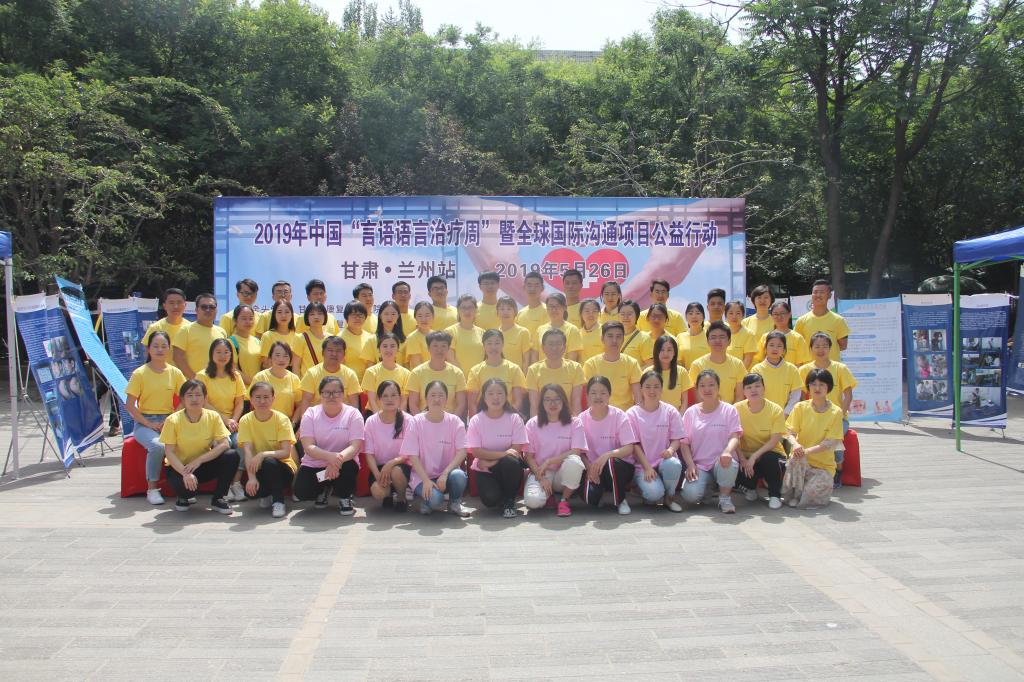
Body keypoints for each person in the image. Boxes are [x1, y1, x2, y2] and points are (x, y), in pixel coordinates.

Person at [125, 331, 187, 505]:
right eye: (156, 346)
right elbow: (129, 405)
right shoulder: (140, 373)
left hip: (169, 420)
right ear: (148, 349)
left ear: (169, 349)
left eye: (164, 346)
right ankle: (152, 489)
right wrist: (148, 423)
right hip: (145, 422)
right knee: (157, 446)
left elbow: (185, 397)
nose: (160, 350)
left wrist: (171, 418)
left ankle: (186, 486)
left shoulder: (175, 372)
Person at [160, 379, 239, 515]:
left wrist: (199, 460)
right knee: (188, 491)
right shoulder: (172, 420)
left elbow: (224, 443)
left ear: (205, 398)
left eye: (198, 395)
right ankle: (183, 497)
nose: (194, 399)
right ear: (182, 399)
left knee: (231, 455)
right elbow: (169, 452)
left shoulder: (213, 416)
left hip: (201, 464)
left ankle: (219, 498)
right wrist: (185, 473)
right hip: (179, 468)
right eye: (189, 395)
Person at [295, 375, 365, 515]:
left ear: (343, 394)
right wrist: (330, 457)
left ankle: (345, 497)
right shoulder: (310, 414)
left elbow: (355, 446)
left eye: (336, 392)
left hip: (343, 464)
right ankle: (325, 487)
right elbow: (308, 447)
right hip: (317, 467)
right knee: (302, 491)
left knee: (349, 468)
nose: (331, 396)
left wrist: (336, 462)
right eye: (327, 393)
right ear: (320, 395)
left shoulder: (353, 414)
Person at [401, 380, 471, 517]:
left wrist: (445, 474)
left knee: (459, 476)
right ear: (426, 398)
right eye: (433, 395)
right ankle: (427, 502)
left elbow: (462, 451)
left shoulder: (455, 421)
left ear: (447, 399)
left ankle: (455, 503)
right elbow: (412, 455)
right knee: (435, 500)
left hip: (446, 474)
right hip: (422, 476)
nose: (437, 399)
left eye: (441, 395)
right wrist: (426, 480)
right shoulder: (416, 421)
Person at [679, 369, 742, 513]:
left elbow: (735, 436)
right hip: (700, 465)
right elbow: (684, 443)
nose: (707, 389)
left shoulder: (729, 410)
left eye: (711, 385)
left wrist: (727, 451)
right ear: (697, 389)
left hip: (721, 462)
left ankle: (725, 498)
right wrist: (690, 465)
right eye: (702, 385)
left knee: (729, 463)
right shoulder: (690, 412)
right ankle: (708, 488)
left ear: (718, 387)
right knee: (690, 495)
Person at [799, 332, 857, 487]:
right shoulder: (804, 370)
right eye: (817, 346)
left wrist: (840, 416)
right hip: (812, 417)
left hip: (837, 418)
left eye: (824, 346)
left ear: (830, 348)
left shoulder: (840, 368)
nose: (821, 350)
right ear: (811, 348)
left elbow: (848, 396)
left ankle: (838, 470)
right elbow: (802, 397)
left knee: (835, 441)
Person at [467, 378, 529, 518]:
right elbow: (476, 451)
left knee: (511, 461)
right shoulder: (476, 420)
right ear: (484, 398)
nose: (495, 397)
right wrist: (503, 455)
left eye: (500, 393)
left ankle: (509, 501)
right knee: (490, 500)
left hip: (506, 467)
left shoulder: (514, 418)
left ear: (506, 396)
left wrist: (491, 461)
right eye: (490, 393)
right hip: (485, 470)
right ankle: (502, 495)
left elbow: (516, 449)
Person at [523, 384, 588, 516]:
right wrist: (540, 477)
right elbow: (528, 456)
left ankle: (564, 500)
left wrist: (549, 461)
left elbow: (576, 451)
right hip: (541, 472)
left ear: (563, 400)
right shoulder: (532, 424)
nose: (552, 403)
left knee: (575, 461)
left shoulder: (575, 422)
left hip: (562, 475)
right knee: (533, 502)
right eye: (547, 399)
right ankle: (549, 496)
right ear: (542, 403)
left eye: (557, 399)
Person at [579, 376, 640, 514]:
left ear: (609, 395)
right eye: (593, 392)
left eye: (603, 392)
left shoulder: (619, 416)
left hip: (619, 467)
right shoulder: (581, 419)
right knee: (589, 497)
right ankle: (602, 492)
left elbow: (629, 448)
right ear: (587, 395)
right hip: (594, 469)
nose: (598, 396)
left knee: (611, 463)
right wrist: (589, 468)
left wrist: (606, 455)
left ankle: (620, 500)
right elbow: (580, 451)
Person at [195, 338, 247, 502]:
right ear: (211, 354)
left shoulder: (235, 376)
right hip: (210, 422)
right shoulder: (202, 376)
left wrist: (234, 420)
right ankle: (224, 485)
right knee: (224, 445)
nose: (222, 356)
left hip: (231, 422)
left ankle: (236, 482)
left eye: (226, 352)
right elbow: (203, 402)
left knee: (241, 442)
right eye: (218, 352)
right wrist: (225, 420)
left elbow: (239, 402)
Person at [627, 371, 688, 512]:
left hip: (664, 462)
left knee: (673, 464)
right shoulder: (632, 413)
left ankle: (669, 498)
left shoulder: (670, 411)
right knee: (654, 494)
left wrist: (670, 450)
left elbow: (676, 439)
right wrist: (647, 467)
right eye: (648, 387)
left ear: (661, 389)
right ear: (641, 388)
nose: (652, 391)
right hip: (642, 466)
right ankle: (641, 489)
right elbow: (634, 445)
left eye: (656, 386)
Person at [783, 369, 844, 508]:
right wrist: (796, 444)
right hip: (801, 460)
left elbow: (830, 442)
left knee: (812, 494)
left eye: (822, 384)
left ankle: (804, 496)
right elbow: (789, 431)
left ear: (828, 387)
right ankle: (795, 495)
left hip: (823, 466)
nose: (817, 388)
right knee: (795, 458)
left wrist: (806, 451)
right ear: (808, 386)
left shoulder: (836, 412)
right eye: (813, 384)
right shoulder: (800, 407)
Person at [238, 381, 297, 518]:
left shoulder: (281, 419)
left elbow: (285, 452)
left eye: (266, 397)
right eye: (258, 397)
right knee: (252, 493)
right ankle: (267, 494)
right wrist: (251, 478)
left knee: (269, 462)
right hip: (260, 468)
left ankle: (278, 502)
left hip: (283, 468)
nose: (262, 401)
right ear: (251, 400)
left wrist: (262, 454)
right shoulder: (245, 420)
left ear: (273, 399)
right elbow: (247, 451)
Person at [734, 373, 787, 509]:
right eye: (749, 387)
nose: (753, 390)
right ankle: (749, 488)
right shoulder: (736, 409)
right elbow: (733, 437)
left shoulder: (775, 410)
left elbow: (774, 441)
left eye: (757, 386)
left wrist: (754, 457)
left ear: (764, 388)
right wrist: (743, 459)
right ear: (744, 391)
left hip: (770, 453)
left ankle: (774, 495)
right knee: (732, 464)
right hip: (746, 456)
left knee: (769, 459)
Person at [364, 381, 412, 512]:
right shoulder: (371, 421)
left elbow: (410, 452)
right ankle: (388, 495)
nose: (389, 399)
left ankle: (401, 498)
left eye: (393, 395)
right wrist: (377, 474)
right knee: (378, 491)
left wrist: (391, 464)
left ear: (400, 398)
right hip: (380, 467)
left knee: (396, 471)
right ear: (379, 399)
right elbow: (369, 454)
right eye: (385, 396)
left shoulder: (408, 420)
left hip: (401, 466)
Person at [295, 336, 362, 415]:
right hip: (318, 417)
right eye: (330, 350)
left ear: (344, 354)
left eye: (338, 351)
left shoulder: (350, 374)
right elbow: (306, 401)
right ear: (323, 353)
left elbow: (354, 403)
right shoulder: (311, 373)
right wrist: (305, 420)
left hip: (342, 418)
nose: (334, 354)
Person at [467, 329, 527, 417]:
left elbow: (518, 401)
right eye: (489, 343)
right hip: (483, 418)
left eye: (497, 343)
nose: (493, 347)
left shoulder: (514, 369)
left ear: (503, 345)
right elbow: (472, 403)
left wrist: (506, 418)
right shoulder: (475, 371)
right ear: (484, 346)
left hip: (508, 417)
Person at [404, 331, 467, 415]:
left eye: (443, 346)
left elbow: (461, 404)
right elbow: (413, 404)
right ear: (428, 348)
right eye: (435, 346)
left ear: (448, 348)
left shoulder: (457, 373)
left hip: (450, 420)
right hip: (423, 419)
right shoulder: (417, 373)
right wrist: (421, 421)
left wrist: (452, 421)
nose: (439, 350)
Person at [583, 321, 641, 411]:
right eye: (610, 336)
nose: (614, 340)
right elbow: (588, 398)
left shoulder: (632, 363)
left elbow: (638, 398)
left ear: (623, 339)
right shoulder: (591, 364)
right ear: (602, 339)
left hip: (625, 415)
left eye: (618, 336)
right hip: (599, 414)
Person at [527, 328, 585, 418]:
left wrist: (575, 423)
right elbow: (534, 406)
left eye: (558, 344)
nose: (554, 348)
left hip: (567, 419)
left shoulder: (575, 368)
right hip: (544, 420)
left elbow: (576, 403)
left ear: (564, 347)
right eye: (550, 344)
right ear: (543, 348)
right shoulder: (533, 370)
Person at [687, 321, 745, 404]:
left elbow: (739, 396)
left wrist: (729, 411)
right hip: (705, 411)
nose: (717, 340)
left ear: (729, 341)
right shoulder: (697, 365)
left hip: (730, 411)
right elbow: (697, 398)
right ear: (707, 341)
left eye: (722, 337)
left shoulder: (738, 364)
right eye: (713, 337)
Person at [172, 292, 227, 379]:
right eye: (204, 307)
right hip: (193, 384)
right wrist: (196, 380)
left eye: (212, 307)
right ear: (196, 310)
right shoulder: (185, 330)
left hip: (217, 383)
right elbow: (178, 358)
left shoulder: (222, 332)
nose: (208, 310)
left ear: (216, 310)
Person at [794, 279, 850, 361]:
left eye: (822, 292)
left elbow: (843, 346)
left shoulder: (838, 320)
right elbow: (797, 345)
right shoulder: (801, 321)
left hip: (831, 367)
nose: (818, 295)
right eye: (815, 292)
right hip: (809, 367)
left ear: (830, 295)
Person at [750, 331, 803, 415]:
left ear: (784, 349)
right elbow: (754, 394)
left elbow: (795, 395)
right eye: (771, 345)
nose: (775, 349)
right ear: (765, 348)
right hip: (762, 414)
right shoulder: (756, 370)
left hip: (786, 416)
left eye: (779, 346)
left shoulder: (792, 369)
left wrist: (786, 413)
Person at [252, 342, 304, 425]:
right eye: (277, 355)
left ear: (290, 360)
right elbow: (252, 404)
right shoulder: (260, 377)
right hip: (263, 423)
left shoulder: (294, 379)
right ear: (270, 358)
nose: (281, 359)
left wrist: (293, 423)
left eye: (285, 356)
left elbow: (299, 405)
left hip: (286, 424)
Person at [362, 332, 411, 412]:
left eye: (392, 346)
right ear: (379, 349)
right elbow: (372, 401)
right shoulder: (371, 372)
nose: (388, 349)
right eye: (385, 346)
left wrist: (399, 417)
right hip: (375, 414)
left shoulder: (406, 373)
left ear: (398, 349)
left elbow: (403, 401)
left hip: (396, 414)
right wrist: (380, 418)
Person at [754, 301, 810, 366]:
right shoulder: (765, 337)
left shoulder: (798, 338)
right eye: (775, 314)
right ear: (771, 316)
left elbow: (802, 363)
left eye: (782, 313)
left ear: (789, 314)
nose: (779, 317)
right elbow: (759, 360)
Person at [141, 288, 190, 363]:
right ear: (164, 305)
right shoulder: (155, 328)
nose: (176, 306)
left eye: (179, 302)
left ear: (185, 305)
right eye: (171, 303)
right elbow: (148, 355)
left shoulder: (191, 328)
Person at [533, 292, 582, 364]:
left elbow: (572, 360)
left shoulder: (572, 330)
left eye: (557, 306)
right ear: (547, 308)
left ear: (564, 308)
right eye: (551, 306)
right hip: (542, 370)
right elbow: (535, 357)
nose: (554, 310)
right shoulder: (540, 329)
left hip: (564, 370)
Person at [651, 335, 691, 414]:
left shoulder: (682, 372)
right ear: (656, 352)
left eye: (669, 350)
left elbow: (684, 401)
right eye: (662, 350)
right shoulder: (648, 372)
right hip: (654, 417)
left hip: (676, 417)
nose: (665, 353)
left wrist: (679, 418)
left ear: (674, 352)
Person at [259, 300, 302, 373]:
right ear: (274, 315)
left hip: (292, 376)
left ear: (292, 315)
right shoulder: (267, 336)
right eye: (279, 312)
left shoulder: (297, 336)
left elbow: (297, 364)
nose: (283, 315)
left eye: (287, 312)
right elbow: (265, 363)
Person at [340, 300, 378, 382]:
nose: (357, 318)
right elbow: (338, 366)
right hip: (348, 383)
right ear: (346, 317)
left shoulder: (370, 337)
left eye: (361, 315)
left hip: (368, 383)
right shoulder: (340, 338)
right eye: (354, 315)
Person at [446, 294, 485, 372]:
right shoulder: (450, 332)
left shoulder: (483, 333)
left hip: (478, 377)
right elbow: (450, 359)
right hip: (458, 377)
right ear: (458, 310)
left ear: (476, 310)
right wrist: (461, 376)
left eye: (470, 307)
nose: (467, 311)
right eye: (463, 308)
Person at [228, 305, 262, 386]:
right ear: (235, 320)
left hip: (258, 390)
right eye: (244, 318)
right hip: (242, 390)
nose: (248, 321)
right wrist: (254, 383)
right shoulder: (230, 342)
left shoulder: (257, 341)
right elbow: (233, 369)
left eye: (251, 318)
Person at [497, 296, 531, 373]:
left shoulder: (523, 332)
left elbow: (526, 360)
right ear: (497, 313)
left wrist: (523, 378)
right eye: (502, 309)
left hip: (516, 376)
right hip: (497, 376)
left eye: (509, 309)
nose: (505, 312)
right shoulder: (495, 334)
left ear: (515, 312)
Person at [295, 302, 330, 377]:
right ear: (307, 317)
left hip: (328, 382)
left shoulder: (331, 338)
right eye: (312, 314)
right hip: (307, 382)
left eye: (320, 314)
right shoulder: (300, 338)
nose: (316, 317)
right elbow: (296, 366)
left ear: (325, 316)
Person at [619, 300, 654, 367]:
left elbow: (650, 364)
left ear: (637, 315)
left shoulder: (644, 338)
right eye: (622, 314)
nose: (626, 317)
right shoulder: (613, 336)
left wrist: (635, 373)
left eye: (629, 314)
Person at [724, 300, 757, 368]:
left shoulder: (749, 334)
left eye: (738, 313)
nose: (734, 316)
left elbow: (748, 360)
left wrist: (738, 374)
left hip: (741, 372)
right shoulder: (722, 333)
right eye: (731, 313)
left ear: (743, 315)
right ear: (726, 315)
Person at [677, 302, 710, 368]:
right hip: (686, 374)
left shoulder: (710, 336)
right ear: (686, 317)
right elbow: (678, 362)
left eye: (698, 313)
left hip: (707, 374)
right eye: (690, 313)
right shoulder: (680, 337)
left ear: (703, 317)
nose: (694, 316)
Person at [516, 271, 548, 335]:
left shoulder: (548, 311)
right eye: (529, 285)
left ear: (542, 288)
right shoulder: (520, 313)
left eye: (536, 285)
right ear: (524, 287)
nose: (533, 289)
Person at [404, 301, 434, 369]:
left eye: (427, 315)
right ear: (415, 317)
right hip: (421, 374)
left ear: (433, 316)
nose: (424, 319)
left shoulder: (437, 336)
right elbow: (417, 365)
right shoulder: (412, 338)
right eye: (420, 316)